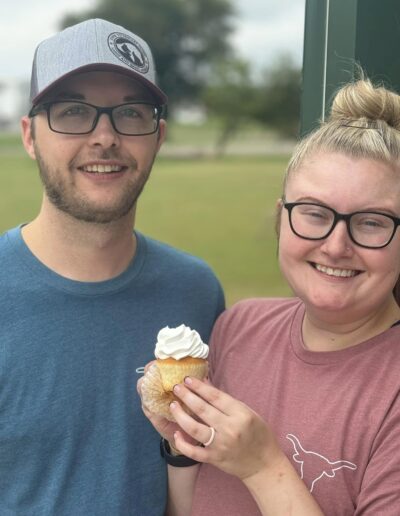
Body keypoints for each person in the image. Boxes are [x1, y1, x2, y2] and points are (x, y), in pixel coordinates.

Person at [139, 76, 400, 515]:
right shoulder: (240, 328)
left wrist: (262, 466)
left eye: (372, 222)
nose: (337, 245)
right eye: (315, 214)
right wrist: (181, 443)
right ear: (282, 220)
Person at [0, 18, 224, 516]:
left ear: (158, 137)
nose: (104, 137)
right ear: (30, 136)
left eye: (129, 113)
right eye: (74, 111)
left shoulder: (195, 293)